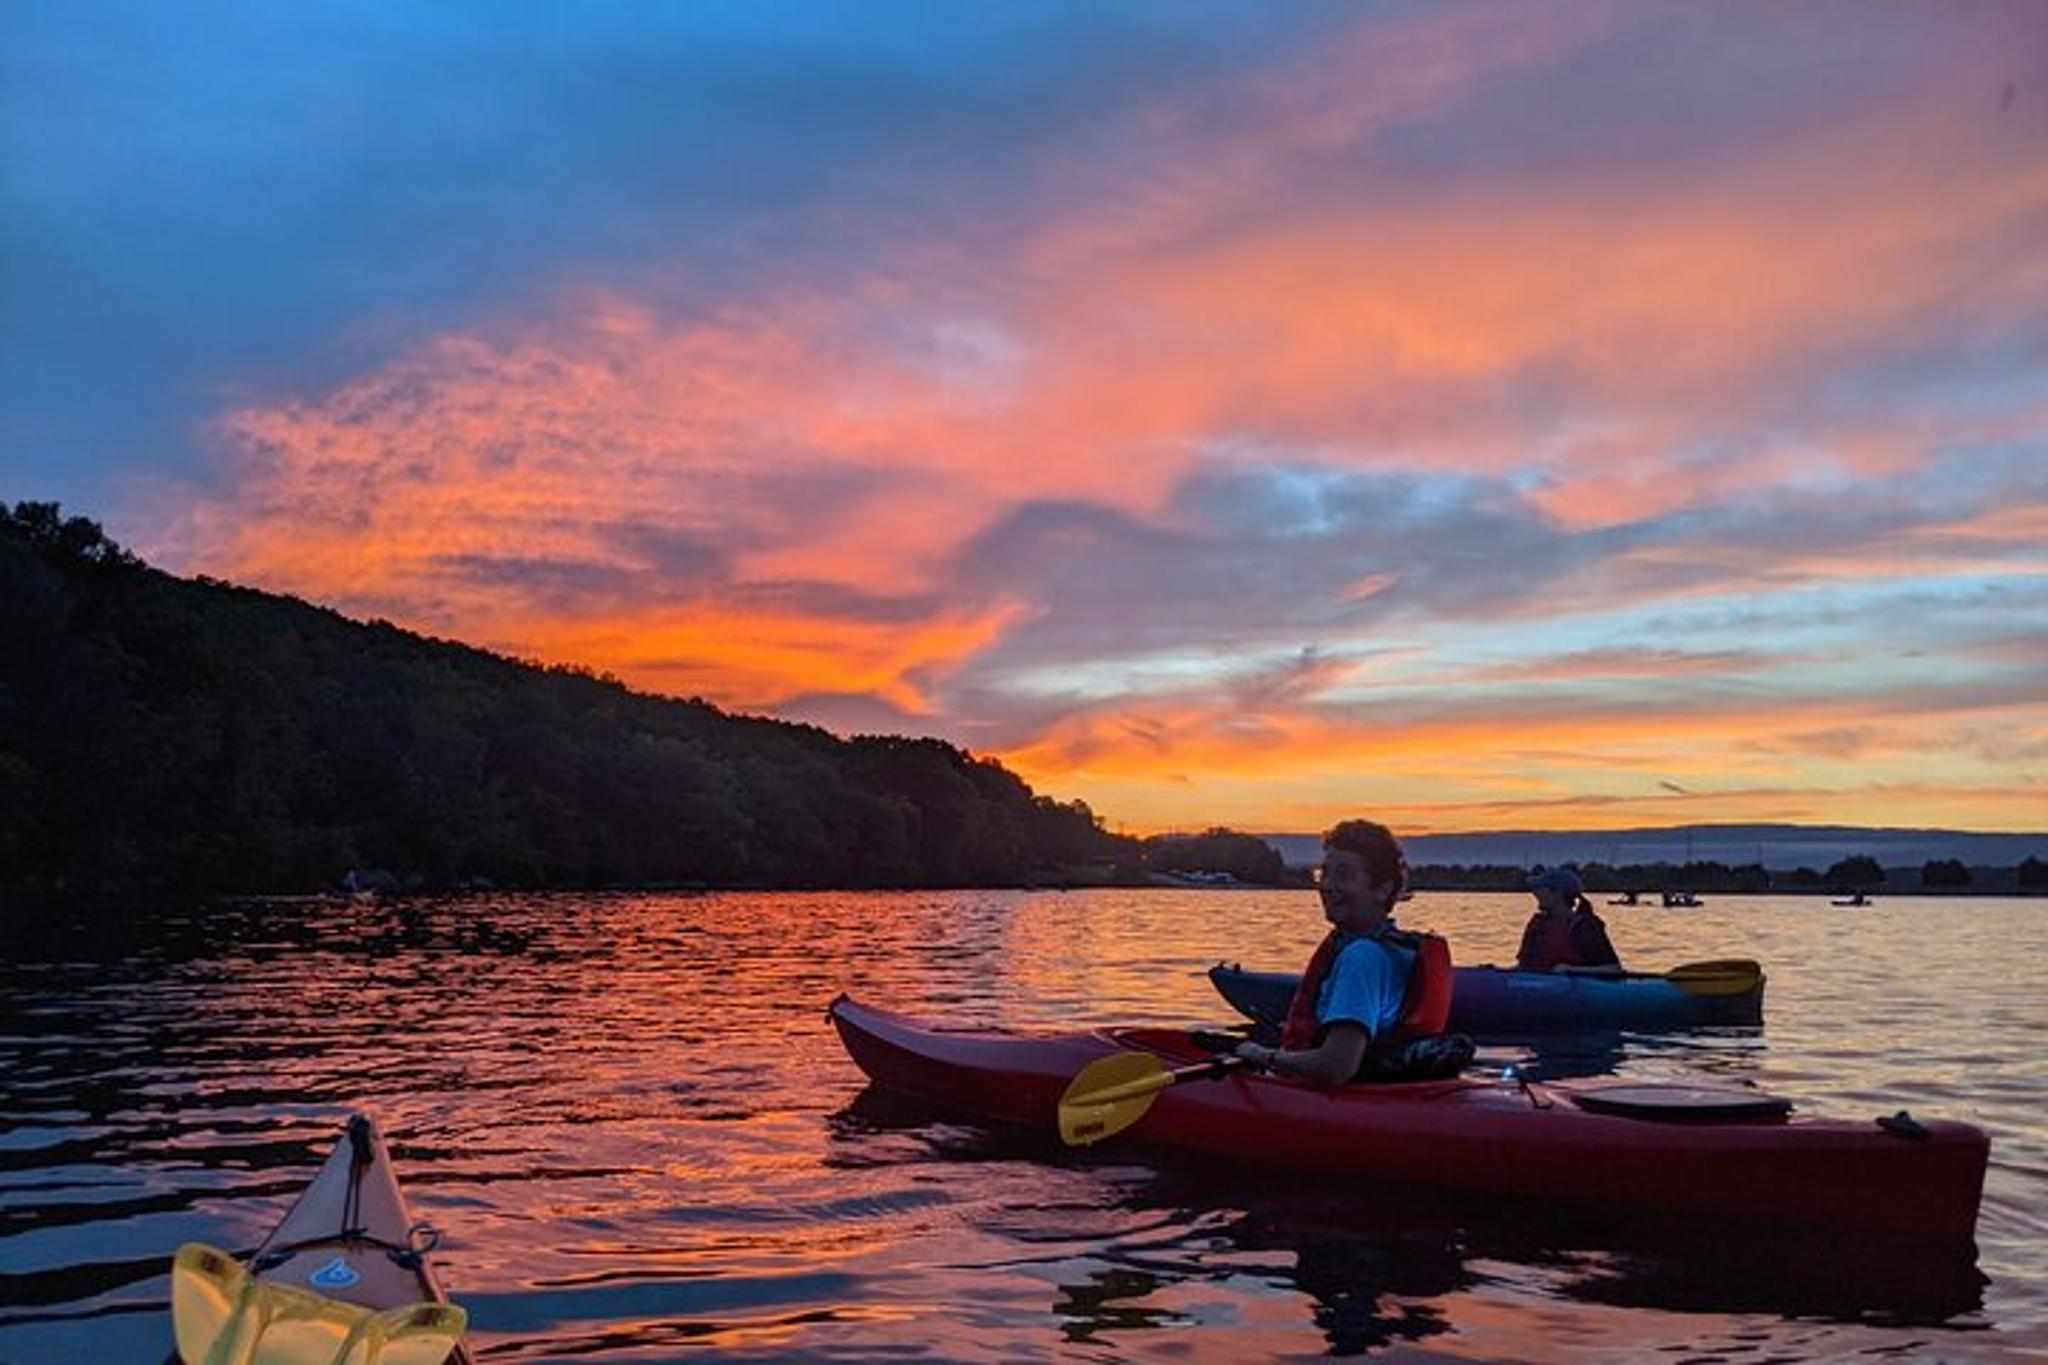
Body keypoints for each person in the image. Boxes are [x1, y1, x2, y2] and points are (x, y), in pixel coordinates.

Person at [1231, 819, 1468, 1085]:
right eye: (1324, 873)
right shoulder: (1390, 951)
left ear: (1383, 889)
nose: (1327, 885)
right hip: (1386, 1093)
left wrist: (1260, 1055)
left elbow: (1336, 1067)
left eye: (1343, 875)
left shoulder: (1363, 957)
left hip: (1344, 1098)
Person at [1515, 867, 1622, 974]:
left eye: (1540, 889)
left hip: (1574, 983)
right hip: (1535, 981)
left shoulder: (1584, 926)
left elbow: (1614, 969)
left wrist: (1570, 969)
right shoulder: (1539, 924)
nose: (1535, 893)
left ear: (1557, 893)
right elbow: (1523, 965)